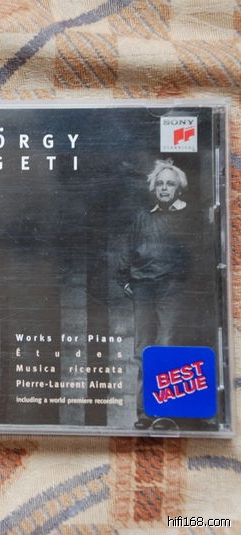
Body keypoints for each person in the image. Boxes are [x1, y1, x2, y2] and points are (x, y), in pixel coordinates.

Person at [117, 159, 199, 429]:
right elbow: (127, 249)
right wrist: (125, 279)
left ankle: (165, 413)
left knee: (166, 345)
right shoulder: (143, 217)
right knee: (143, 349)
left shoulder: (190, 217)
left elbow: (196, 255)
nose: (164, 188)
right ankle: (145, 414)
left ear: (179, 189)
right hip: (143, 289)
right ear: (154, 188)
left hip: (172, 289)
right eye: (160, 184)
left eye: (170, 184)